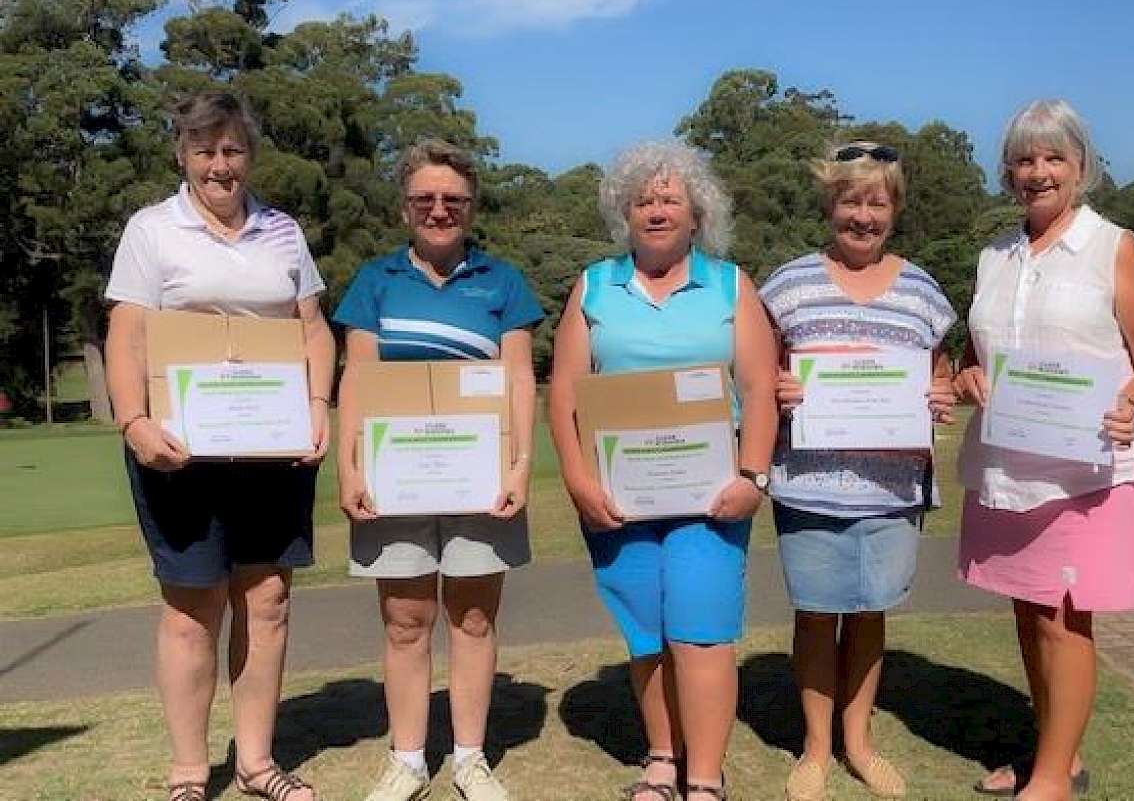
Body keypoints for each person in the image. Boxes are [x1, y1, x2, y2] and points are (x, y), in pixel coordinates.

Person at [105, 91, 335, 801]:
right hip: (180, 450)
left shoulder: (282, 229)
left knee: (267, 598)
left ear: (250, 156)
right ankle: (186, 771)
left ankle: (257, 763)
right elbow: (128, 333)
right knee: (193, 604)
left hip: (271, 449)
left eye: (232, 149)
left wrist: (321, 402)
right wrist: (134, 422)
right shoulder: (152, 230)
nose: (219, 164)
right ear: (182, 154)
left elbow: (313, 329)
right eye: (204, 150)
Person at [955, 100, 1134, 801]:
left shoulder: (1116, 247)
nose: (1038, 171)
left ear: (1082, 166)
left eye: (1054, 157)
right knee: (1028, 608)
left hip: (1088, 465)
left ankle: (1050, 777)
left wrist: (1130, 401)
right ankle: (1059, 757)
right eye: (1024, 158)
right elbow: (974, 355)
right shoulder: (995, 256)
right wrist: (965, 376)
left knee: (1063, 614)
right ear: (1008, 173)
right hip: (1007, 464)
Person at [547, 140, 777, 801]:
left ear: (696, 211)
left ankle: (704, 777)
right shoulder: (593, 285)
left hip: (713, 493)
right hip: (617, 492)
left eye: (669, 198)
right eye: (643, 199)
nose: (656, 209)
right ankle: (661, 759)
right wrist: (576, 479)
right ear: (625, 211)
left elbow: (759, 389)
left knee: (701, 629)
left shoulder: (732, 284)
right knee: (647, 630)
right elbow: (563, 392)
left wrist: (753, 477)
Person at [334, 139, 543, 801]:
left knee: (474, 620)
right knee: (404, 620)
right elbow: (357, 382)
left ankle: (470, 758)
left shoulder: (503, 281)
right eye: (425, 197)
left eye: (452, 198)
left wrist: (519, 465)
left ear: (470, 206)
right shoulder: (374, 280)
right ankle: (407, 759)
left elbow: (518, 378)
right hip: (395, 479)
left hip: (481, 478)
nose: (439, 208)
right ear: (405, 208)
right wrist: (349, 467)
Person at [760, 142, 956, 801]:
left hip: (893, 487)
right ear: (830, 206)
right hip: (808, 483)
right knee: (817, 613)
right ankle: (815, 750)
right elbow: (759, 373)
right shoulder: (787, 285)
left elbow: (939, 370)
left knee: (871, 613)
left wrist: (941, 391)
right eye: (851, 200)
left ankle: (859, 743)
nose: (863, 215)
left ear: (895, 209)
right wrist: (779, 388)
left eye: (877, 201)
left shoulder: (924, 289)